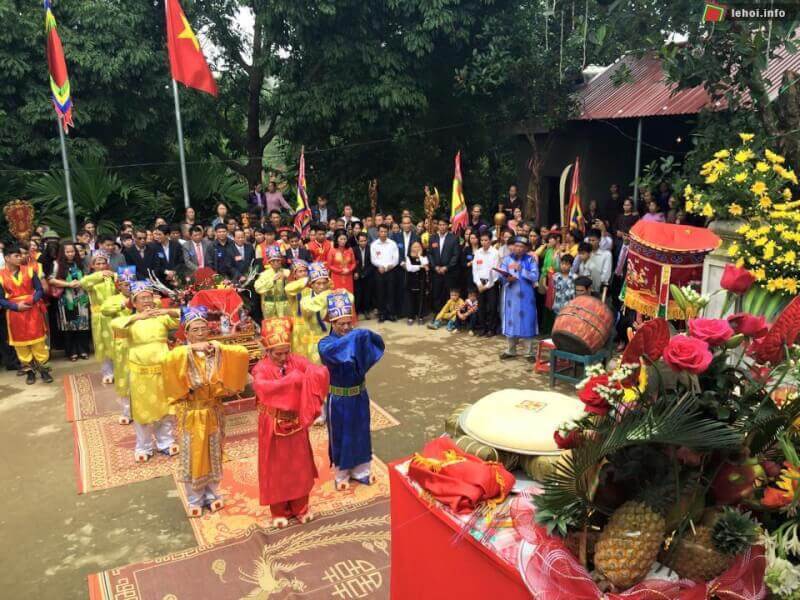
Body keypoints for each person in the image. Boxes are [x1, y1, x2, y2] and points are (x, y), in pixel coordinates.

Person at [163, 306, 249, 517]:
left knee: (213, 451)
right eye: (195, 330)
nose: (200, 333)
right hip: (192, 412)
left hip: (213, 409)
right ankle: (194, 497)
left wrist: (217, 346)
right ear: (187, 333)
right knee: (194, 454)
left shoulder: (214, 350)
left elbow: (242, 353)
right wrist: (189, 350)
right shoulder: (180, 354)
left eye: (203, 329)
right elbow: (167, 362)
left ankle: (212, 494)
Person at [252, 317, 329, 527]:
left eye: (287, 352)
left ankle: (300, 508)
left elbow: (317, 371)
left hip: (296, 424)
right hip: (273, 423)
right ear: (267, 351)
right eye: (278, 354)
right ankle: (279, 512)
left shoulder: (296, 361)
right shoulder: (261, 369)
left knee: (300, 466)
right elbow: (263, 388)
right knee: (275, 469)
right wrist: (293, 381)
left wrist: (312, 375)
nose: (284, 358)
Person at [319, 291, 385, 490]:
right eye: (341, 324)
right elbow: (337, 352)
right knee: (342, 434)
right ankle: (342, 474)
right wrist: (357, 335)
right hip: (339, 398)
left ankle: (361, 471)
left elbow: (375, 346)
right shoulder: (325, 344)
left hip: (360, 394)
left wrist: (362, 336)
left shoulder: (356, 338)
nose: (347, 328)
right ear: (332, 322)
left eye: (350, 323)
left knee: (361, 431)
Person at [125, 282, 180, 462]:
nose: (147, 301)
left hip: (163, 370)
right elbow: (115, 326)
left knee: (166, 408)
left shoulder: (161, 318)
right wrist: (137, 317)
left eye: (149, 297)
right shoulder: (129, 321)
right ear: (134, 302)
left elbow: (184, 316)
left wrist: (166, 311)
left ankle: (166, 442)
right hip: (141, 374)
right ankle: (144, 446)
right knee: (143, 411)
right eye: (142, 298)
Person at [0, 243, 53, 384]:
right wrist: (15, 306)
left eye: (20, 255)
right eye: (16, 256)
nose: (20, 258)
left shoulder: (29, 271)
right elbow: (0, 299)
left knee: (38, 342)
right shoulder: (0, 275)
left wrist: (31, 301)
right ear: (7, 258)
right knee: (21, 345)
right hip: (14, 313)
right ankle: (30, 371)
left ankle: (43, 369)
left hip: (32, 309)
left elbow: (39, 289)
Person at [102, 267, 135, 425]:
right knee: (124, 378)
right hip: (122, 343)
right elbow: (104, 310)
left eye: (131, 284)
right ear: (119, 286)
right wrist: (123, 305)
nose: (129, 287)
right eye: (125, 284)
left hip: (140, 343)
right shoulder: (113, 300)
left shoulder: (141, 298)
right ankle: (127, 412)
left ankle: (142, 410)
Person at [498, 235, 539, 360]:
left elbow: (535, 276)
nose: (519, 249)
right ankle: (511, 350)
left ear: (526, 248)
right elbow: (501, 275)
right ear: (513, 247)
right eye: (516, 246)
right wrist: (506, 278)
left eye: (522, 247)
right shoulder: (506, 260)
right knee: (511, 320)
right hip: (511, 296)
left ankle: (529, 352)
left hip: (527, 296)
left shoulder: (530, 260)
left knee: (528, 321)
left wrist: (522, 270)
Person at [48, 242, 91, 361]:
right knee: (68, 326)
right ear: (63, 252)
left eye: (72, 251)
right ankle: (71, 351)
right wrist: (68, 284)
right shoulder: (57, 264)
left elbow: (87, 277)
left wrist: (82, 282)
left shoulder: (80, 263)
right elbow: (51, 280)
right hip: (66, 299)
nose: (71, 254)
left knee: (82, 325)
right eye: (68, 252)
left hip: (81, 298)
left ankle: (83, 350)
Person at [81, 251, 118, 383]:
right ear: (93, 265)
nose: (101, 266)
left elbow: (125, 283)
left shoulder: (113, 277)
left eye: (104, 263)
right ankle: (107, 372)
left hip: (115, 314)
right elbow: (83, 283)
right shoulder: (90, 279)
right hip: (99, 316)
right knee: (102, 344)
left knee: (116, 342)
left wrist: (114, 275)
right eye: (98, 263)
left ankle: (119, 370)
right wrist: (99, 275)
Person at [297, 262, 337, 364]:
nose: (322, 286)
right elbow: (309, 308)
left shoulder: (334, 297)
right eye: (318, 283)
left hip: (330, 339)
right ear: (311, 284)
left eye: (324, 283)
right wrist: (326, 295)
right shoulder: (305, 300)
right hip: (312, 341)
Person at [428, 217, 460, 315]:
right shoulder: (433, 238)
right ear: (437, 226)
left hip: (449, 272)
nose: (442, 227)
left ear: (448, 226)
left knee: (447, 294)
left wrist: (447, 267)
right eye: (440, 225)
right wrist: (435, 267)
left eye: (444, 225)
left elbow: (456, 255)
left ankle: (448, 316)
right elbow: (429, 254)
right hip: (436, 272)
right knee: (436, 294)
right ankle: (437, 315)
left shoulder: (453, 238)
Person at [370, 224, 399, 322]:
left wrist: (388, 267)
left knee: (391, 292)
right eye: (381, 231)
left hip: (390, 271)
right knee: (380, 293)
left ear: (388, 232)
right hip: (379, 271)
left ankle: (391, 313)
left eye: (385, 231)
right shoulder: (374, 245)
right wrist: (380, 266)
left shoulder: (392, 243)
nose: (383, 233)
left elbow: (396, 258)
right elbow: (373, 259)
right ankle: (382, 314)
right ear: (378, 232)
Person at [473, 231, 500, 337]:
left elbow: (496, 271)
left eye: (486, 240)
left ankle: (492, 329)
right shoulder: (478, 252)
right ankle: (483, 328)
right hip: (480, 283)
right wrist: (479, 284)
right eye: (482, 240)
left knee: (492, 307)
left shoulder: (495, 253)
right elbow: (475, 270)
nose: (483, 242)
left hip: (491, 284)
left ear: (490, 241)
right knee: (481, 307)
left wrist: (487, 285)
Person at [284, 260, 311, 356]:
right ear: (294, 275)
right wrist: (308, 279)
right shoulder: (292, 287)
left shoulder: (311, 287)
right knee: (300, 351)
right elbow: (289, 288)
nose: (304, 273)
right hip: (299, 324)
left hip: (311, 323)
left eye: (305, 271)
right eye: (300, 271)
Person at [254, 246, 290, 318]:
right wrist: (272, 281)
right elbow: (258, 288)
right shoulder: (264, 274)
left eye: (278, 260)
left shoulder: (287, 272)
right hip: (269, 306)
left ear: (281, 261)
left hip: (284, 305)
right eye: (273, 261)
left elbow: (293, 288)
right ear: (269, 262)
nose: (276, 263)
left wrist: (286, 279)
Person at [403, 240, 428, 325]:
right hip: (411, 281)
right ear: (411, 248)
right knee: (411, 299)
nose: (416, 248)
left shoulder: (424, 256)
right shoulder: (408, 257)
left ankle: (420, 316)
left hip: (421, 281)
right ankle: (411, 317)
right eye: (414, 246)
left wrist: (420, 256)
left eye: (418, 246)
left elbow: (425, 263)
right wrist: (420, 266)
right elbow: (409, 268)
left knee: (421, 298)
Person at [583, 229, 613, 297]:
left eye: (593, 240)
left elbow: (606, 276)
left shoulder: (606, 254)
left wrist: (591, 281)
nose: (590, 242)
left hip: (598, 289)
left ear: (599, 240)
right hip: (584, 287)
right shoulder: (586, 253)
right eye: (589, 240)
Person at [353, 232, 375, 319]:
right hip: (357, 275)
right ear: (357, 241)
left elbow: (372, 263)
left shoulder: (371, 249)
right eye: (361, 241)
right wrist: (356, 272)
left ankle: (367, 311)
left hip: (368, 274)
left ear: (367, 240)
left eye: (364, 241)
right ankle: (357, 311)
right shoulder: (354, 250)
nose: (363, 243)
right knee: (358, 294)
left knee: (367, 293)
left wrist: (365, 273)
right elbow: (353, 262)